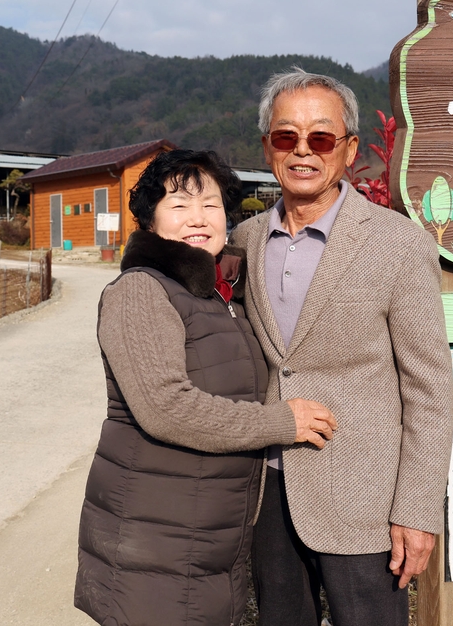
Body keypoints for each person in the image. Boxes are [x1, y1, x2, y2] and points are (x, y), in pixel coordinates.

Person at [75, 149, 338, 626]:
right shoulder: (141, 291)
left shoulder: (222, 297)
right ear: (151, 222)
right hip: (158, 538)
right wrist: (284, 421)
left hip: (206, 538)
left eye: (211, 205)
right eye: (179, 205)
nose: (198, 218)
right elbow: (166, 407)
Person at [230, 68, 453, 626]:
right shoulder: (244, 241)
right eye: (286, 136)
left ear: (349, 149)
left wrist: (418, 511)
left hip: (364, 498)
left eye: (321, 137)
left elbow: (429, 390)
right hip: (266, 491)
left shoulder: (398, 244)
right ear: (267, 146)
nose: (303, 151)